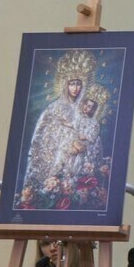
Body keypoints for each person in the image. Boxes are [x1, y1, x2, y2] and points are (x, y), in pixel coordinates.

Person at [21, 50, 97, 199]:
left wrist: (81, 143)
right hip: (57, 161)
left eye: (79, 84)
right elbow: (42, 138)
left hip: (78, 161)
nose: (76, 88)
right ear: (65, 84)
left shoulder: (85, 111)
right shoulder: (54, 108)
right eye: (72, 84)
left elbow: (91, 138)